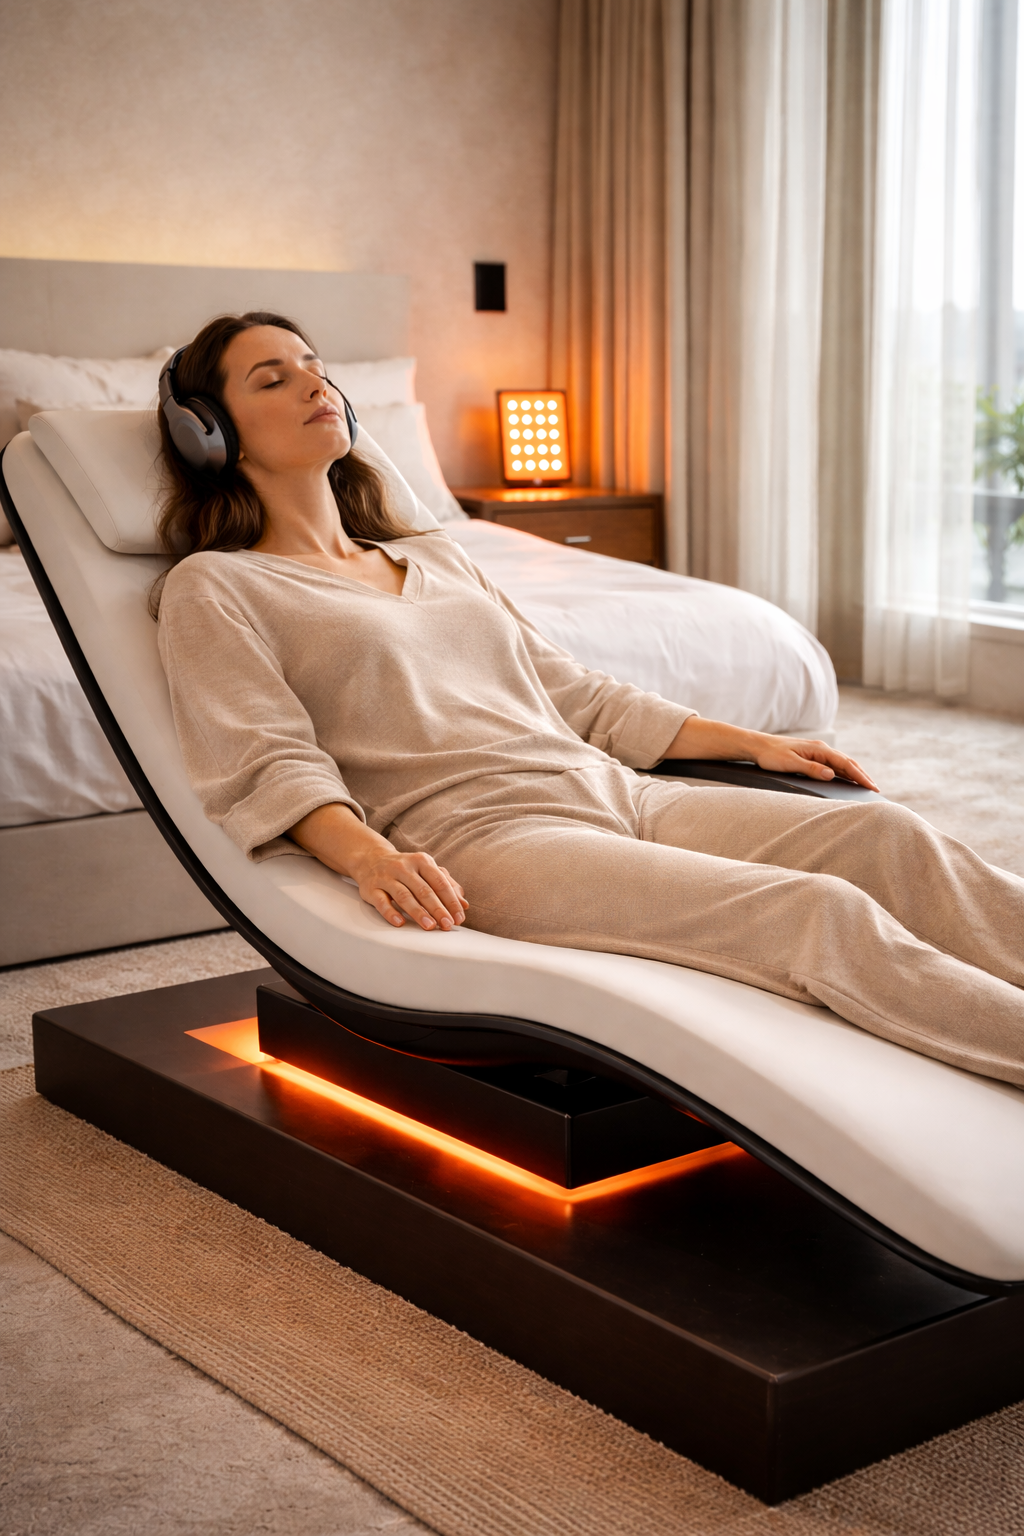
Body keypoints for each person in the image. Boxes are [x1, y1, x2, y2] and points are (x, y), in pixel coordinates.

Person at [155, 312, 1024, 1088]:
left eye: (315, 364)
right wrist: (370, 858)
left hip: (620, 791)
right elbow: (267, 760)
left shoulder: (434, 556)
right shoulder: (219, 587)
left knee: (885, 835)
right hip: (497, 839)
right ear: (211, 435)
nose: (315, 383)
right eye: (273, 378)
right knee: (816, 915)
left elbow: (568, 689)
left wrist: (746, 741)